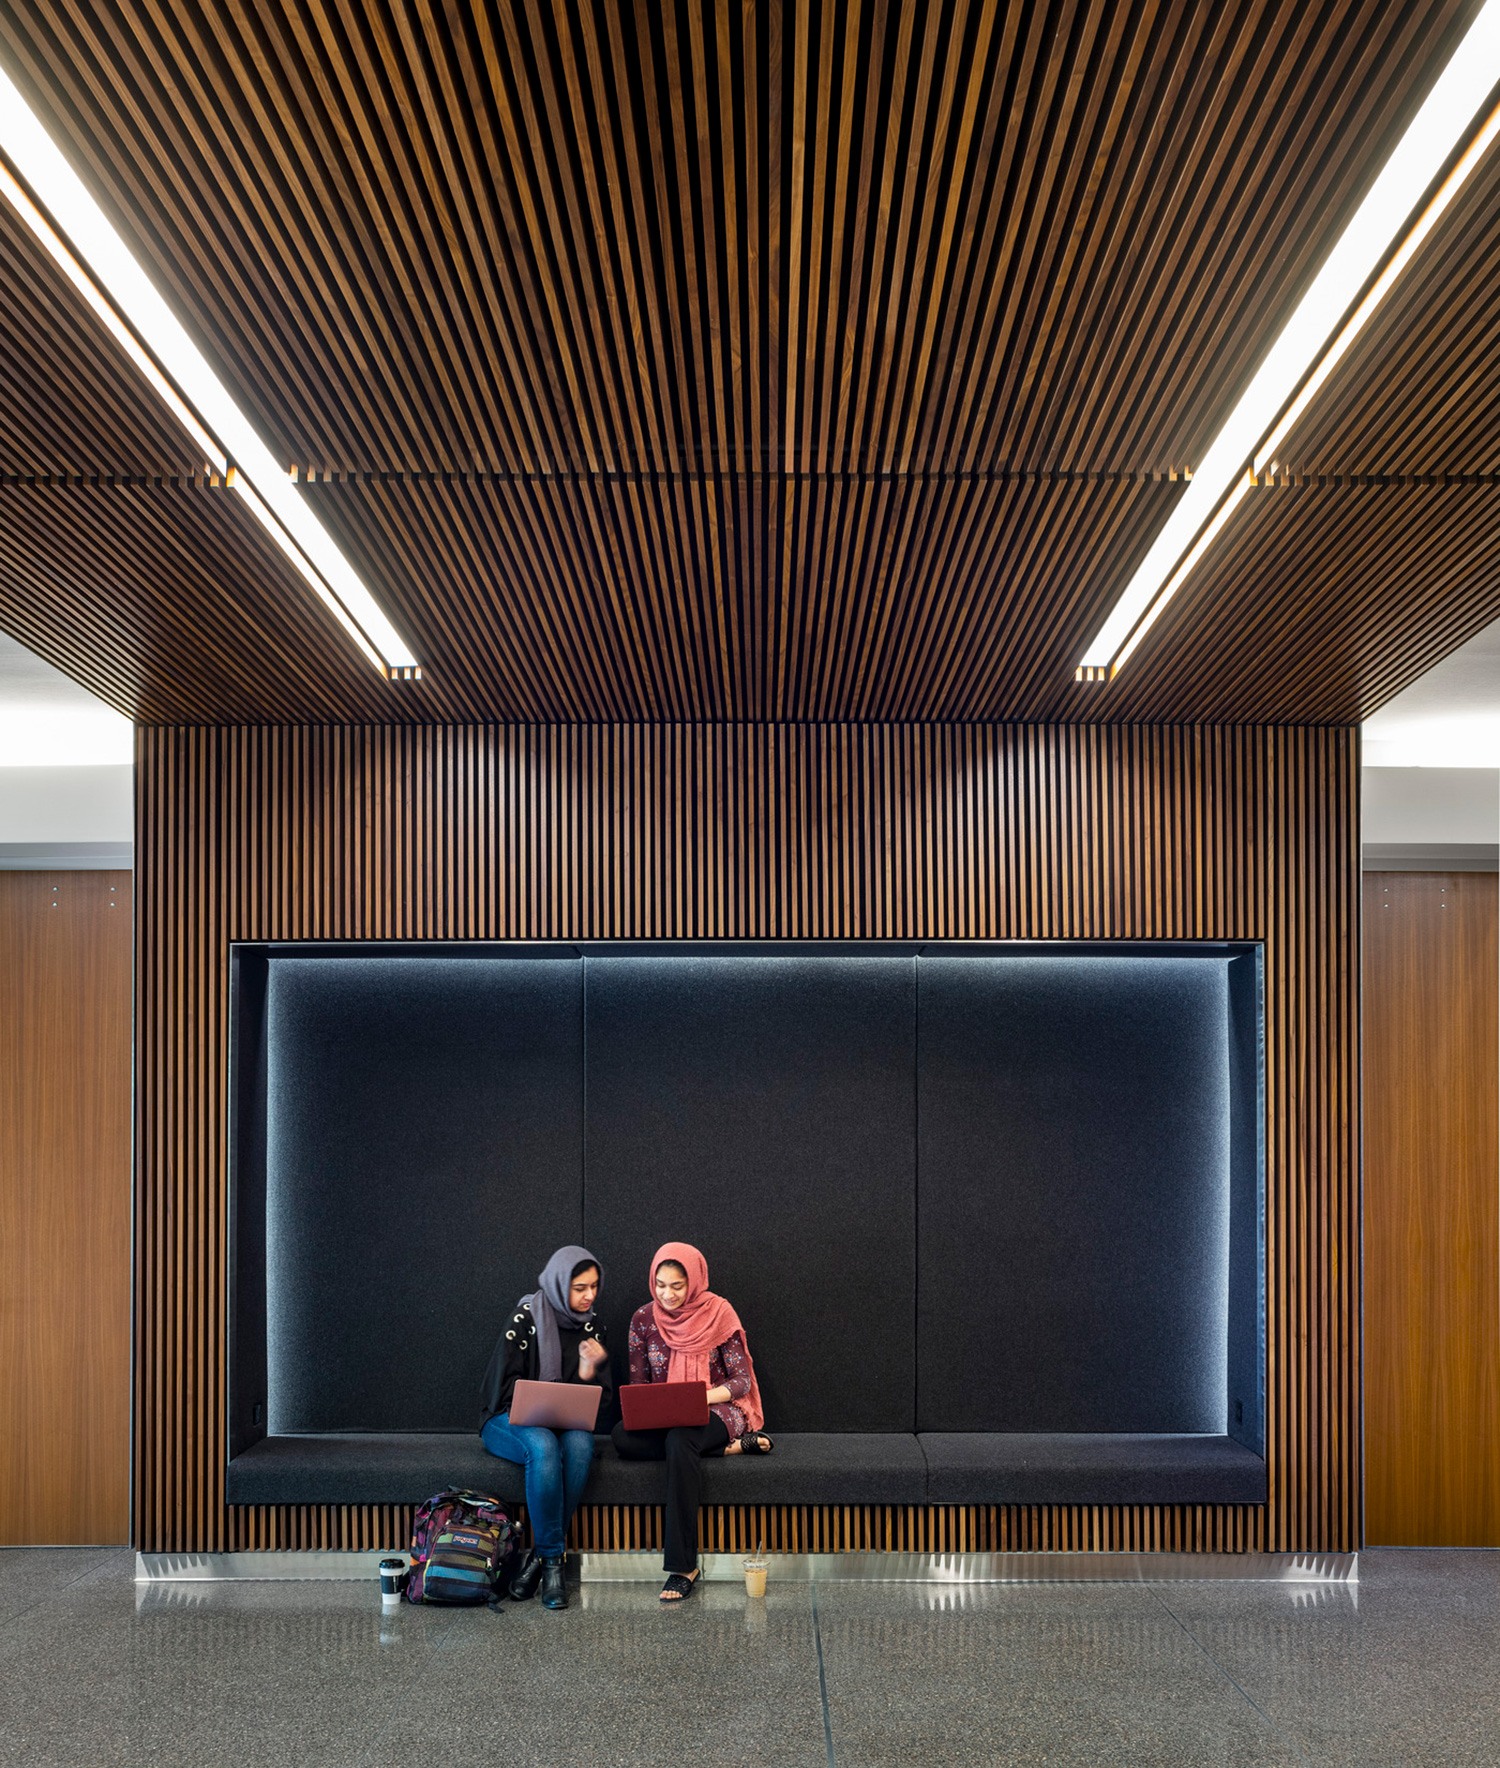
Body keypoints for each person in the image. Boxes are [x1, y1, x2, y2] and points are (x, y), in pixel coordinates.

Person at [611, 1241, 773, 1601]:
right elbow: (639, 1385)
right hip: (666, 1417)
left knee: (681, 1439)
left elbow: (741, 1382)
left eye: (677, 1286)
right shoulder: (642, 1319)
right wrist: (657, 1408)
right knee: (622, 1437)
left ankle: (683, 1566)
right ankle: (727, 1450)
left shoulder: (720, 1313)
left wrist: (699, 1397)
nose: (667, 1294)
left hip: (717, 1409)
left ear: (695, 1281)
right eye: (660, 1285)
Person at [479, 1244, 612, 1609]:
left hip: (563, 1424)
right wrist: (536, 1403)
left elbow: (604, 1405)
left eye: (594, 1286)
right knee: (543, 1446)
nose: (589, 1296)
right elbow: (500, 1391)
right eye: (579, 1288)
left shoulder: (592, 1327)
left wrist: (589, 1373)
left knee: (582, 1444)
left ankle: (538, 1557)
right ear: (558, 1283)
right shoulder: (526, 1317)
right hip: (507, 1420)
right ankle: (554, 1563)